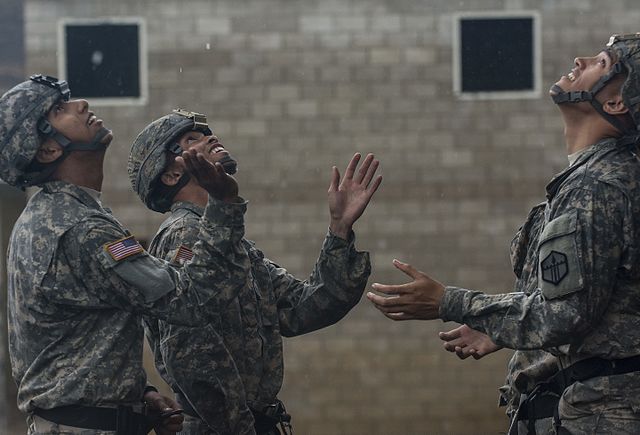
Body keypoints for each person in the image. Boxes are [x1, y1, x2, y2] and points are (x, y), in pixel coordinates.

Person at [368, 33, 640, 434]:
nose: (581, 60)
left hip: (599, 417)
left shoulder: (598, 188)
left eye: (601, 62)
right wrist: (502, 327)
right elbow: (585, 304)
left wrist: (450, 302)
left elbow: (564, 316)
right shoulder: (594, 180)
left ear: (616, 101)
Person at [0, 75, 255, 434]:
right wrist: (224, 204)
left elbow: (73, 342)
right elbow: (190, 302)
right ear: (48, 150)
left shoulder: (55, 214)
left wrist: (139, 395)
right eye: (60, 110)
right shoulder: (80, 228)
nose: (81, 106)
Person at [127, 109, 382, 435]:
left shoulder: (228, 239)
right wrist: (241, 428)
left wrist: (340, 229)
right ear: (171, 175)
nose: (210, 138)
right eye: (192, 140)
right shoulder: (184, 234)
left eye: (206, 133)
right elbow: (188, 355)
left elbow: (303, 308)